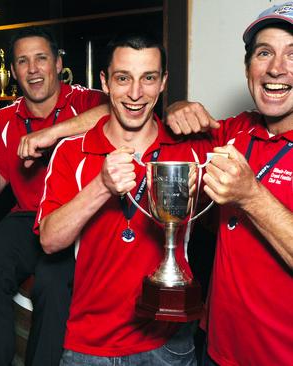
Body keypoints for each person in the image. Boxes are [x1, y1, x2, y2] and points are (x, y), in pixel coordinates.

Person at [36, 33, 211, 365]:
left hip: (168, 341)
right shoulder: (72, 150)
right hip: (89, 344)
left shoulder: (192, 149)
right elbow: (49, 240)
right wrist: (100, 186)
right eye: (122, 78)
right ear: (105, 82)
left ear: (163, 83)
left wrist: (183, 107)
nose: (135, 94)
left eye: (148, 78)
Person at [0, 27, 108, 366]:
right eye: (23, 61)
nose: (33, 69)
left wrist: (52, 134)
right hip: (28, 216)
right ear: (13, 72)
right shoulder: (8, 118)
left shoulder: (85, 99)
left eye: (41, 58)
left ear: (57, 63)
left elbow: (117, 113)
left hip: (77, 220)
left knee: (53, 285)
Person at [163, 3, 293, 365]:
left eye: (292, 54)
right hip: (217, 349)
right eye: (264, 52)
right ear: (248, 68)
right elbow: (158, 132)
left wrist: (251, 196)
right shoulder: (237, 131)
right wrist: (177, 108)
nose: (276, 68)